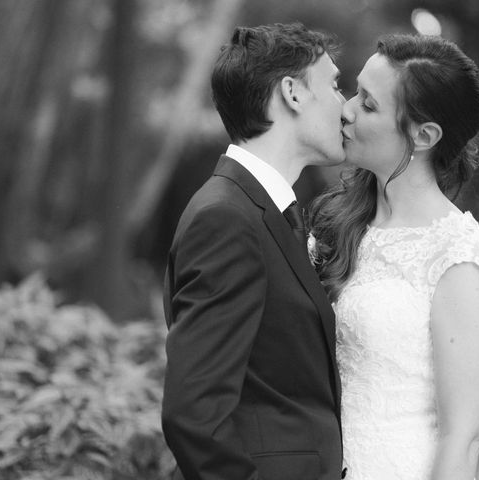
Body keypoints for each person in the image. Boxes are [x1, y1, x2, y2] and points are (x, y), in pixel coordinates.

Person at [308, 34, 479, 480]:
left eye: (369, 104)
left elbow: (465, 435)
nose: (346, 108)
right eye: (354, 90)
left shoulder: (458, 254)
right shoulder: (335, 221)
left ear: (423, 135)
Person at [162, 22, 347, 480]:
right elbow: (193, 414)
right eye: (335, 84)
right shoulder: (225, 219)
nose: (345, 107)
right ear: (293, 93)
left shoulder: (264, 211)